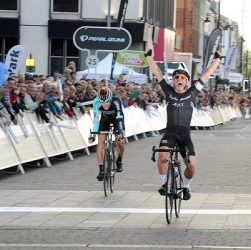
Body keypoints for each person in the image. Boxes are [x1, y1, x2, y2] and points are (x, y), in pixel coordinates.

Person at [144, 48, 222, 200]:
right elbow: (158, 73)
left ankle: (186, 187)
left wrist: (218, 59)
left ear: (186, 81)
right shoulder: (168, 91)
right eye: (176, 77)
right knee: (162, 156)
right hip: (170, 133)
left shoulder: (192, 92)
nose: (179, 79)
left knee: (191, 166)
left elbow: (205, 75)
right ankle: (164, 184)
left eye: (182, 78)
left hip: (185, 135)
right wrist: (148, 57)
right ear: (173, 81)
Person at [88, 87, 125, 181]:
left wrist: (120, 132)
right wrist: (93, 134)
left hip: (117, 120)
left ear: (111, 99)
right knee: (100, 143)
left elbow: (120, 117)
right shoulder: (96, 102)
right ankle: (101, 170)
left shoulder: (116, 101)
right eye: (102, 102)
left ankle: (119, 160)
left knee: (120, 142)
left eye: (107, 102)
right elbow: (96, 119)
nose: (105, 104)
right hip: (104, 121)